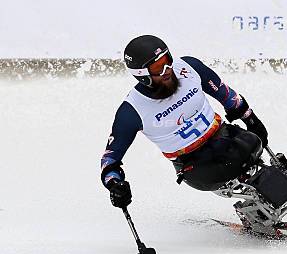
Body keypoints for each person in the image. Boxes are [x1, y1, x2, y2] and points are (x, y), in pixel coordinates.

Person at [100, 35, 269, 209]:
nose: (167, 69)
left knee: (253, 142)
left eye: (167, 60)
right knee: (228, 166)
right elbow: (110, 159)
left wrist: (251, 119)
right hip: (192, 163)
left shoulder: (189, 67)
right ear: (142, 75)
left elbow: (226, 95)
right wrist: (115, 185)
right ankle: (257, 209)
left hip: (222, 135)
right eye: (158, 67)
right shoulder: (131, 111)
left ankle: (273, 189)